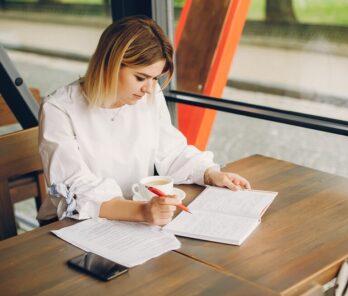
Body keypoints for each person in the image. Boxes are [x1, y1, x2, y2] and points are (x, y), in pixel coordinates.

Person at [38, 16, 251, 226]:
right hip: (73, 225)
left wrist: (210, 173)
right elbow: (73, 190)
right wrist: (142, 211)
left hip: (134, 218)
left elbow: (172, 152)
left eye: (155, 78)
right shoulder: (58, 109)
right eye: (140, 78)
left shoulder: (149, 94)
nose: (149, 88)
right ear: (109, 65)